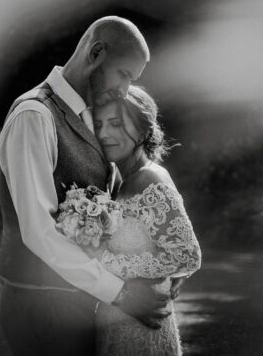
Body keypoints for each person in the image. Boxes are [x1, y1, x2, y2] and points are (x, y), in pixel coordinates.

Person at [0, 16, 171, 356]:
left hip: (77, 306)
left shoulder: (95, 116)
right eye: (124, 74)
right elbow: (39, 230)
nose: (125, 89)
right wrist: (119, 292)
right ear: (96, 53)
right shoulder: (34, 115)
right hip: (40, 308)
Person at [92, 85, 201, 355]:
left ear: (143, 130)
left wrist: (102, 261)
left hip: (142, 326)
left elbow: (187, 256)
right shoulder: (120, 177)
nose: (103, 134)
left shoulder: (150, 178)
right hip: (120, 317)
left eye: (116, 123)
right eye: (99, 124)